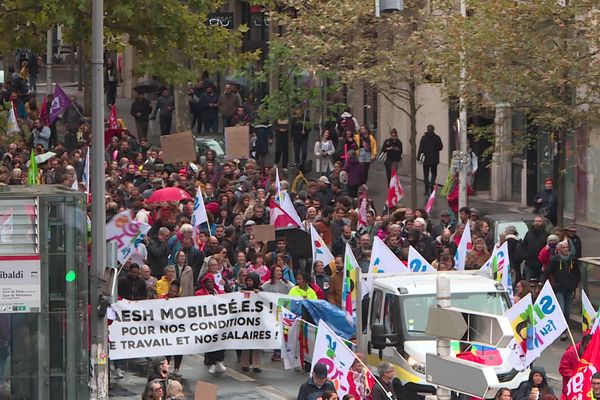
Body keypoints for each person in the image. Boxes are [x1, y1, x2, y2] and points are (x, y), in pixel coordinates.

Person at [546, 240, 580, 340]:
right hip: (559, 288)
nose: (566, 249)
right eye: (564, 248)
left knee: (567, 311)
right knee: (561, 308)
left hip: (569, 289)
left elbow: (578, 274)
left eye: (567, 247)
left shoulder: (573, 260)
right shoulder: (555, 260)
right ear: (559, 250)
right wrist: (542, 282)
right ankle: (562, 331)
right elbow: (548, 271)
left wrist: (575, 285)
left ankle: (565, 328)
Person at [194, 273, 227, 374]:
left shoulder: (220, 292)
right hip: (207, 322)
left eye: (212, 282)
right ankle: (212, 363)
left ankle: (219, 361)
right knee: (210, 342)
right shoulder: (199, 293)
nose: (211, 284)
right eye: (208, 282)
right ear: (204, 283)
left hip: (219, 322)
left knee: (220, 341)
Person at [240, 272, 263, 373]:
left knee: (256, 344)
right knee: (246, 343)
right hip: (246, 321)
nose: (249, 282)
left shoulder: (261, 291)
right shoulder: (243, 291)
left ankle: (256, 365)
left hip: (257, 321)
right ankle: (245, 364)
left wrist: (259, 294)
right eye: (248, 280)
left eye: (251, 280)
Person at [519, 215, 549, 280]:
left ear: (542, 223)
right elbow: (524, 246)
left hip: (541, 265)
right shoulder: (529, 234)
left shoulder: (546, 235)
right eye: (536, 221)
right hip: (529, 264)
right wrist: (525, 255)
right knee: (528, 283)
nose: (537, 223)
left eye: (539, 221)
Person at [417, 124, 443, 196]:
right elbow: (441, 147)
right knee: (434, 174)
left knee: (426, 175)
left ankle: (426, 190)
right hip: (434, 160)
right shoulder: (437, 138)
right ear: (433, 130)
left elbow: (420, 148)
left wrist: (419, 157)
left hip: (426, 160)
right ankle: (431, 185)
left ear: (427, 130)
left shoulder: (424, 138)